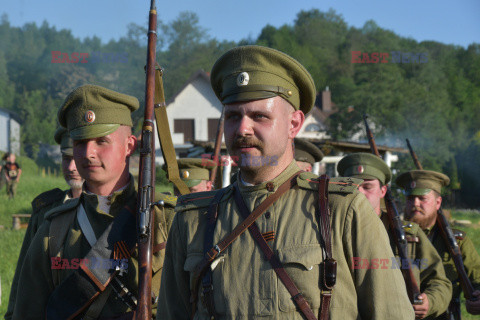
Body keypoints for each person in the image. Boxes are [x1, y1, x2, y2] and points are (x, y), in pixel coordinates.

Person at [158, 45, 414, 319]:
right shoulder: (193, 218)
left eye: (259, 116)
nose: (243, 129)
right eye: (233, 116)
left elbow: (391, 313)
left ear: (294, 124)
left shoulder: (342, 210)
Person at [12, 84, 176, 319]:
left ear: (129, 145)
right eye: (80, 142)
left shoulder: (168, 221)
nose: (88, 152)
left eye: (101, 141)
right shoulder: (54, 232)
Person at [338, 153, 452, 319]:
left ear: (383, 191)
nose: (359, 193)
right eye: (353, 186)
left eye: (367, 187)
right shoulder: (331, 231)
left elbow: (439, 281)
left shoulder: (409, 235)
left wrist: (431, 301)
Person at [4, 127, 85, 320]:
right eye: (66, 159)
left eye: (76, 158)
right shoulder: (45, 211)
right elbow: (24, 276)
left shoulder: (114, 212)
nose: (72, 167)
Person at [396, 170, 480, 318]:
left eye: (422, 198)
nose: (415, 203)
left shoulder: (456, 242)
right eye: (410, 198)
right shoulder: (392, 236)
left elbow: (477, 278)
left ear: (438, 202)